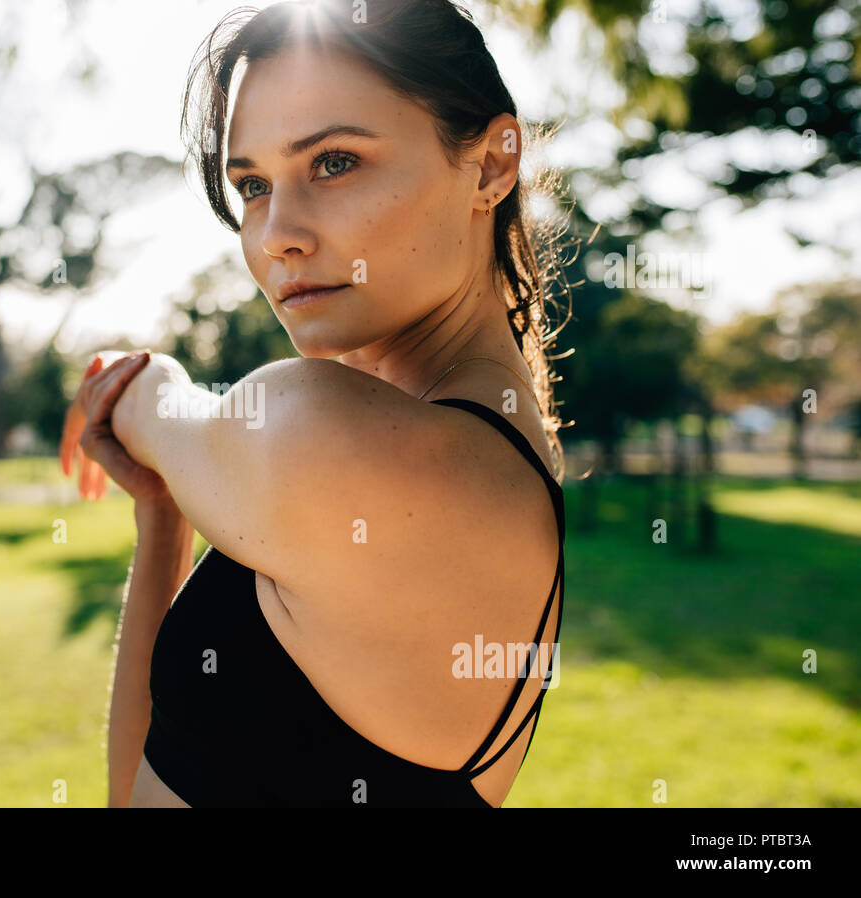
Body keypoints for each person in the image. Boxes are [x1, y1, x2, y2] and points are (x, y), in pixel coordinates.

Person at [60, 0, 570, 807]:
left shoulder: (326, 438)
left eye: (334, 161)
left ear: (491, 165)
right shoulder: (471, 462)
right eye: (253, 185)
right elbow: (143, 787)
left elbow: (156, 408)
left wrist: (142, 383)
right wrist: (162, 517)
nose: (275, 235)